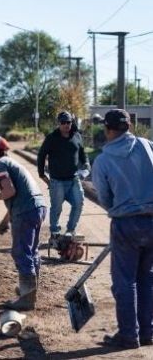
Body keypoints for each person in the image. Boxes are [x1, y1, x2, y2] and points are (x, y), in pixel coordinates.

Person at [92, 109, 153, 350]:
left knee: (125, 281)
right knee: (147, 278)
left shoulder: (103, 160)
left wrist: (120, 208)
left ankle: (129, 336)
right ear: (128, 126)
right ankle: (147, 332)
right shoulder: (148, 146)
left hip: (126, 223)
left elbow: (104, 197)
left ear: (108, 130)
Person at [0, 136, 47, 311]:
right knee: (32, 251)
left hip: (26, 211)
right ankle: (30, 291)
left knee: (21, 252)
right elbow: (16, 199)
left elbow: (9, 191)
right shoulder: (13, 163)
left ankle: (27, 299)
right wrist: (5, 222)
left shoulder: (0, 164)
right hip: (38, 207)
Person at [37, 111, 90, 238]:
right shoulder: (52, 138)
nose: (66, 125)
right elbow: (41, 155)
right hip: (57, 181)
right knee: (57, 207)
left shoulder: (77, 136)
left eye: (69, 122)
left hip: (74, 179)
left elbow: (83, 154)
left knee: (79, 203)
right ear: (59, 123)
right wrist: (42, 174)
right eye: (63, 122)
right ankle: (55, 232)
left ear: (72, 122)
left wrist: (87, 165)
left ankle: (70, 230)